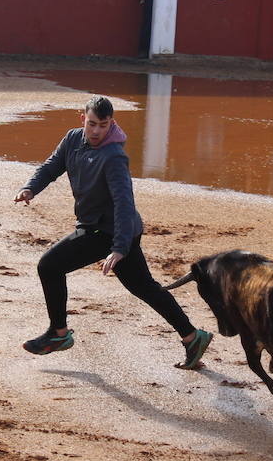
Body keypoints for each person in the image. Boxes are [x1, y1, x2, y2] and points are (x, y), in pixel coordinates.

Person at [14, 95, 214, 369]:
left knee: (49, 266)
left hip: (108, 231)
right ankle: (192, 337)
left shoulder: (114, 156)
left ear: (111, 123)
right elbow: (51, 167)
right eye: (93, 124)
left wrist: (119, 248)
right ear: (82, 119)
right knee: (143, 287)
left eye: (103, 125)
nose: (97, 131)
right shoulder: (73, 139)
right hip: (112, 228)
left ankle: (59, 334)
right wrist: (30, 188)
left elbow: (123, 203)